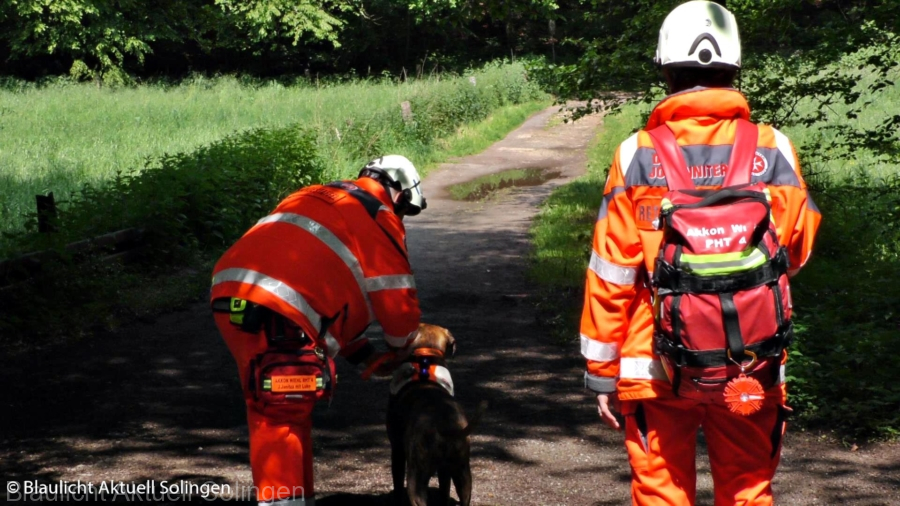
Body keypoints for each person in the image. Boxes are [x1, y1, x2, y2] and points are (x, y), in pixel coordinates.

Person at [579, 2, 821, 505]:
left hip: (654, 364)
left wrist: (600, 371)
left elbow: (612, 273)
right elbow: (795, 252)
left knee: (661, 494)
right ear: (734, 67)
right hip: (751, 361)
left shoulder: (637, 154)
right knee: (749, 489)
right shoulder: (773, 148)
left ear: (666, 70)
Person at [210, 155, 427, 506]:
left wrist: (362, 353)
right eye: (405, 211)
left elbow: (322, 286)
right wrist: (401, 347)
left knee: (273, 405)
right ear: (400, 195)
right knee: (282, 416)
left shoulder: (314, 195)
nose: (401, 219)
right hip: (279, 312)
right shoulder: (378, 214)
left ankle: (298, 499)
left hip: (232, 296)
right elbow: (396, 302)